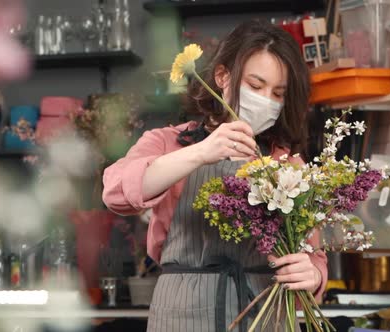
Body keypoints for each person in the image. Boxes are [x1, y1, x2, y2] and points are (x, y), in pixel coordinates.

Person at [102, 20, 327, 332]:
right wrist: (201, 152)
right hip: (182, 312)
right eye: (256, 86)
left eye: (278, 93)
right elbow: (116, 192)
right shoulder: (168, 143)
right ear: (223, 77)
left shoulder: (287, 163)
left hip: (262, 311)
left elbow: (313, 255)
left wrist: (312, 274)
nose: (266, 101)